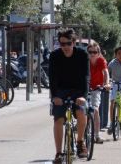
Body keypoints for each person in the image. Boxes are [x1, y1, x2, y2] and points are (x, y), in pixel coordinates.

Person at [49, 28, 89, 164]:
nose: (65, 47)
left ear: (73, 42)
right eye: (62, 44)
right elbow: (52, 79)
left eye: (68, 43)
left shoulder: (82, 54)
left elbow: (86, 77)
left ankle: (80, 142)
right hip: (60, 90)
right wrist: (54, 96)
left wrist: (83, 96)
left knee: (81, 112)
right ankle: (59, 153)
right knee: (58, 119)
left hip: (78, 90)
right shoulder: (54, 56)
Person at [87, 40, 110, 144]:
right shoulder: (84, 61)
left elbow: (105, 72)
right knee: (80, 109)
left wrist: (106, 84)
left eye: (94, 52)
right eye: (90, 52)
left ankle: (96, 135)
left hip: (96, 88)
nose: (92, 54)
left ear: (98, 53)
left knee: (95, 110)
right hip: (84, 88)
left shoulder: (101, 61)